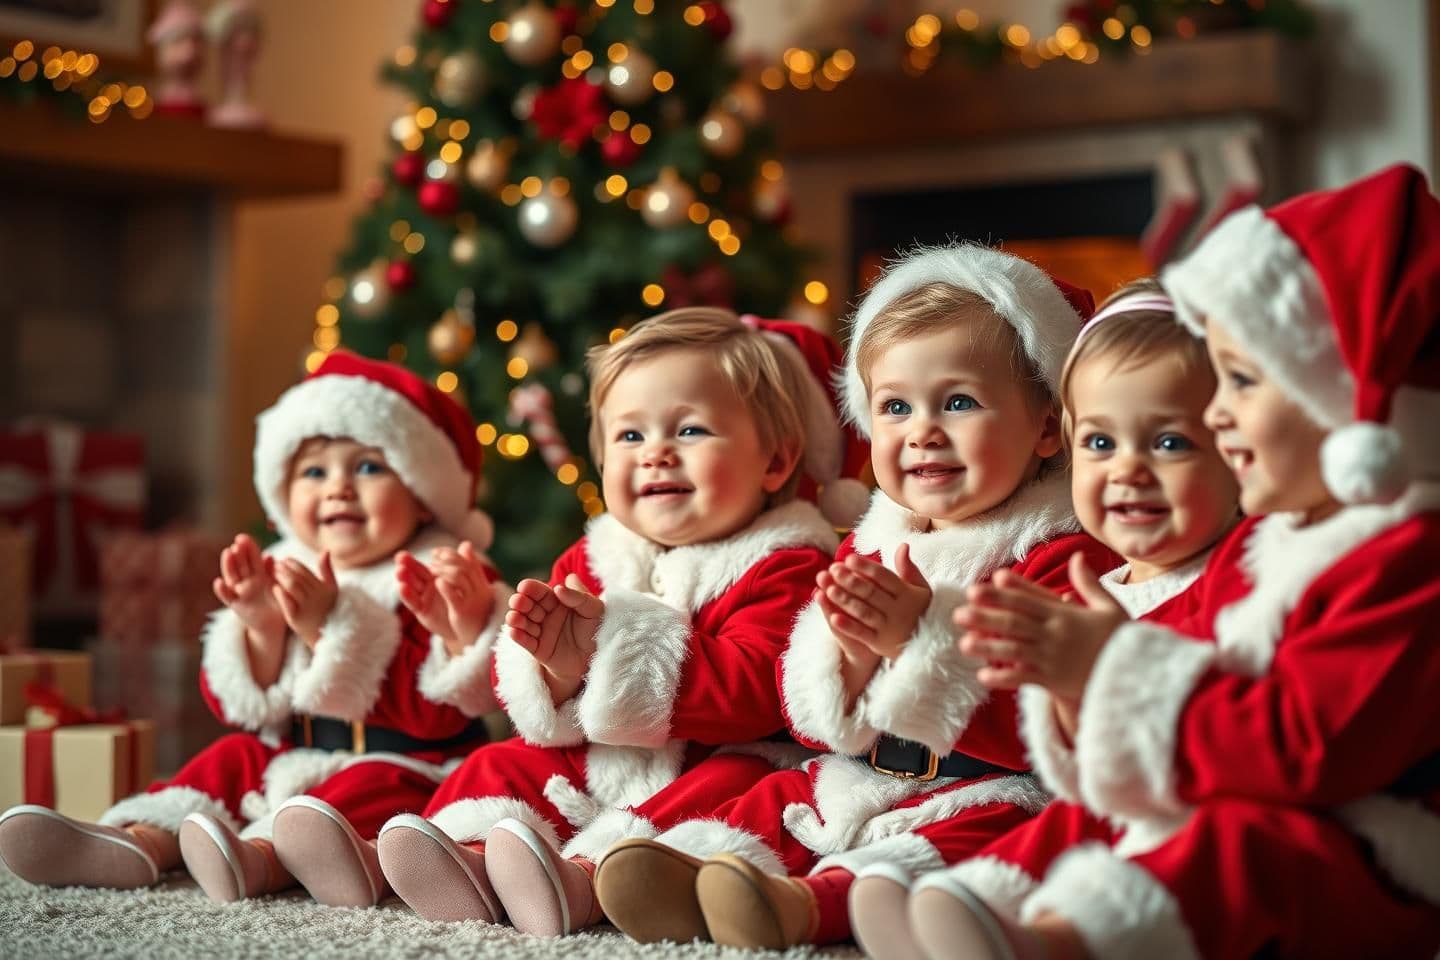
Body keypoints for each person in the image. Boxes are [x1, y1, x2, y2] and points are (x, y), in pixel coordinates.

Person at [931, 165, 1440, 959]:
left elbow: (1312, 751)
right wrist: (1081, 684)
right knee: (1098, 810)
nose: (1216, 413)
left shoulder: (1408, 562)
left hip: (1371, 853)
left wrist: (1115, 669)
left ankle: (1063, 942)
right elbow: (1183, 673)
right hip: (1276, 797)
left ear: (1348, 404)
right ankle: (984, 897)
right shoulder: (1265, 543)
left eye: (1240, 381)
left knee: (1235, 840)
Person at [593, 244, 1120, 949]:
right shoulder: (869, 542)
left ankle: (803, 907)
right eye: (895, 407)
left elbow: (1047, 726)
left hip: (990, 785)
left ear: (1049, 427)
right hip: (861, 770)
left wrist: (919, 641)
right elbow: (809, 721)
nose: (922, 432)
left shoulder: (1062, 554)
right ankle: (687, 870)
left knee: (968, 845)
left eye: (958, 401)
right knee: (771, 794)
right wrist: (841, 658)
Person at [372, 308, 851, 937]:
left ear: (776, 461)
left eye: (690, 430)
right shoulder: (596, 556)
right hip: (601, 762)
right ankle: (475, 854)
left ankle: (588, 875)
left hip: (716, 757)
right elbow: (529, 683)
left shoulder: (788, 564)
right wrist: (558, 671)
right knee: (503, 763)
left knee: (741, 785)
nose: (655, 454)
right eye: (629, 437)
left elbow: (763, 686)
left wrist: (618, 649)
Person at [0, 352, 508, 909]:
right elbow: (246, 706)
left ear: (420, 492)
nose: (338, 488)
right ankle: (140, 839)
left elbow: (441, 710)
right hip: (293, 753)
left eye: (367, 467)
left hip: (413, 762)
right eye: (315, 472)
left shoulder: (438, 572)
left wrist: (328, 629)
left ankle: (261, 858)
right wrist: (262, 628)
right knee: (231, 756)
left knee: (365, 788)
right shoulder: (287, 567)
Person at [849, 280, 1241, 959]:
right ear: (1068, 438)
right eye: (1100, 443)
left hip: (1156, 806)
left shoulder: (1225, 584)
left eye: (1170, 443)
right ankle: (971, 908)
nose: (1129, 472)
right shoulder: (1105, 583)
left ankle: (1031, 933)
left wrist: (1080, 679)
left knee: (1062, 832)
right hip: (1056, 790)